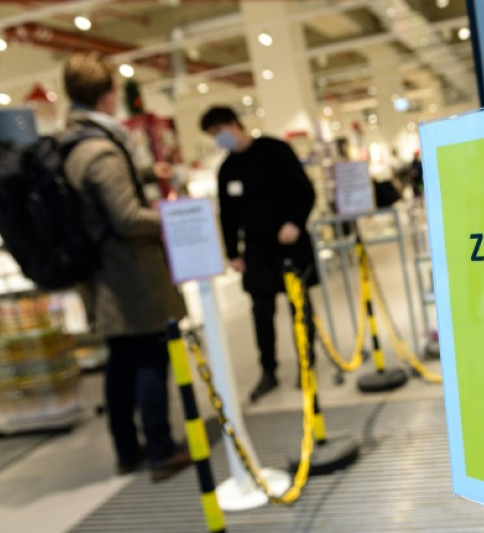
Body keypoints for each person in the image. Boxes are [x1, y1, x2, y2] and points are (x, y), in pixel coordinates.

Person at [62, 52, 190, 481]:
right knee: (150, 358)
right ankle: (160, 450)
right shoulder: (100, 149)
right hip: (130, 276)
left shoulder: (74, 144)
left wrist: (148, 174)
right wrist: (174, 219)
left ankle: (127, 449)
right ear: (107, 94)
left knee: (120, 363)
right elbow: (127, 217)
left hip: (105, 275)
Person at [199, 106, 318, 401]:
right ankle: (268, 370)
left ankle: (307, 362)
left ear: (234, 124)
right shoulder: (227, 169)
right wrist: (233, 253)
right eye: (212, 134)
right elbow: (227, 216)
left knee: (300, 308)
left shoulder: (274, 150)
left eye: (219, 131)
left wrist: (295, 222)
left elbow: (305, 191)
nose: (218, 138)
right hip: (256, 251)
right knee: (261, 313)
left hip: (290, 245)